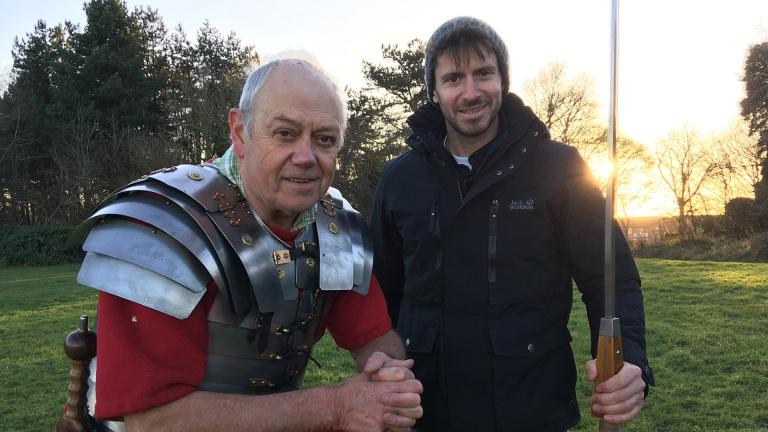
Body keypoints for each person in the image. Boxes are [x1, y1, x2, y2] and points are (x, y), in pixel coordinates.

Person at [74, 57, 423, 432]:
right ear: (240, 132)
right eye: (285, 133)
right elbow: (151, 420)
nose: (306, 157)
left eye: (325, 139)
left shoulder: (335, 224)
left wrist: (388, 380)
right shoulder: (164, 228)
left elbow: (372, 336)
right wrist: (335, 406)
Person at [370, 16, 654, 432]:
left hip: (533, 411)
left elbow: (611, 281)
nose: (471, 92)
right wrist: (383, 379)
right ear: (434, 91)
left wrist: (630, 361)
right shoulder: (399, 181)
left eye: (483, 73)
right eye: (453, 79)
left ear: (503, 79)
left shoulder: (560, 169)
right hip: (426, 415)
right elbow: (383, 295)